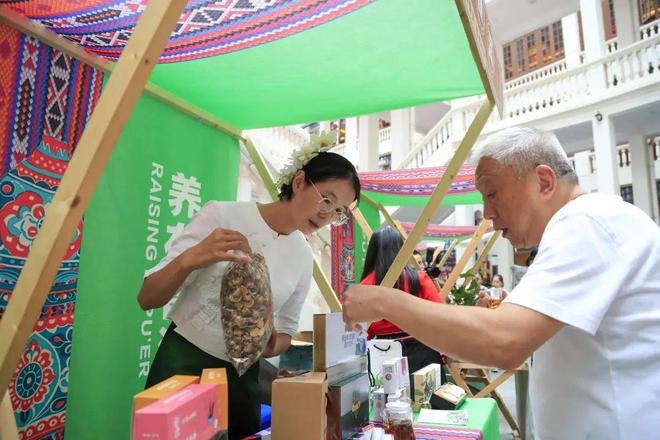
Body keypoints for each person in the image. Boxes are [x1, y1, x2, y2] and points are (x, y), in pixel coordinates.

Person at [342, 127, 660, 439]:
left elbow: (503, 340)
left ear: (544, 181)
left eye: (492, 194)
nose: (488, 215)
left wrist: (384, 301)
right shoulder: (586, 223)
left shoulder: (586, 223)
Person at [137, 134, 360, 439]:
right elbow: (147, 297)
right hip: (184, 363)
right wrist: (190, 258)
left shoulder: (302, 257)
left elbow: (285, 332)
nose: (327, 214)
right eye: (327, 199)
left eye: (338, 211)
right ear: (299, 182)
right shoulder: (224, 216)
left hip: (242, 380)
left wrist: (270, 345)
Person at [360, 227, 446, 383]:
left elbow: (362, 330)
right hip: (423, 353)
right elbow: (439, 318)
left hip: (382, 355)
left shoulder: (364, 287)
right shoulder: (419, 279)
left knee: (385, 404)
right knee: (429, 404)